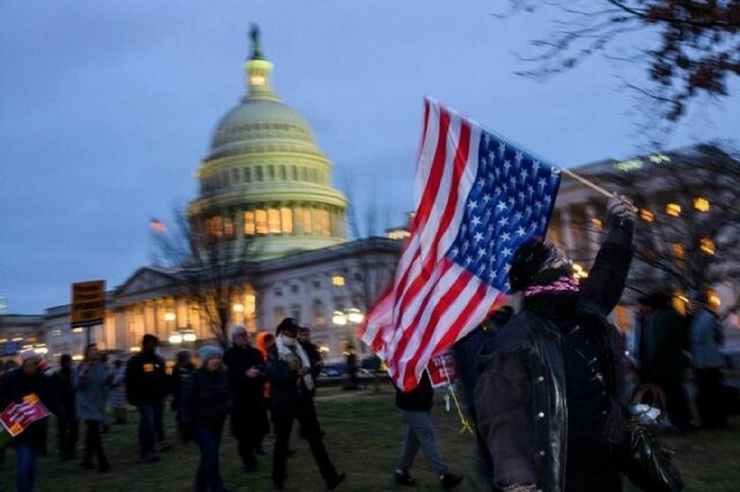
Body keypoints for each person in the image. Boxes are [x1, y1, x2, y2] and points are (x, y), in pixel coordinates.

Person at [475, 195, 635, 492]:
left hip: (603, 467)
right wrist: (517, 481)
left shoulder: (584, 306)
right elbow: (503, 419)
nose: (568, 261)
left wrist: (621, 224)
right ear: (541, 273)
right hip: (557, 475)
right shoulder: (512, 343)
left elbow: (609, 272)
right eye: (558, 258)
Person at [266, 317, 346, 491]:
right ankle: (278, 480)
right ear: (283, 330)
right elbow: (274, 375)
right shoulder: (275, 350)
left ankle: (330, 478)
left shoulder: (300, 348)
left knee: (316, 441)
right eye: (292, 330)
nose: (295, 333)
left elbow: (310, 370)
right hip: (284, 403)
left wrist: (316, 367)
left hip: (303, 400)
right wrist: (295, 374)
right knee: (282, 443)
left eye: (297, 330)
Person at [393, 370, 464, 489]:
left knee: (413, 441)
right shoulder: (405, 359)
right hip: (412, 405)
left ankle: (401, 472)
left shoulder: (417, 356)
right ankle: (444, 475)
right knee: (428, 437)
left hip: (418, 403)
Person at [0, 350, 57, 492]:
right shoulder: (11, 379)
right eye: (27, 365)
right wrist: (17, 405)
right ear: (23, 364)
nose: (30, 368)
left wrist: (51, 411)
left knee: (31, 465)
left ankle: (28, 488)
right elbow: (3, 398)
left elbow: (50, 398)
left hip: (36, 429)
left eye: (33, 365)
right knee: (24, 463)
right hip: (19, 427)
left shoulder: (42, 379)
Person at [635, 292, 693, 433]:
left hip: (664, 365)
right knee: (674, 393)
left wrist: (651, 361)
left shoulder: (663, 318)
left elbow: (657, 342)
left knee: (671, 394)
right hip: (669, 363)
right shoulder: (671, 316)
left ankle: (678, 422)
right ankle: (680, 421)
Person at [181, 345, 231, 492]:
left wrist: (228, 404)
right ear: (204, 361)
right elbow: (185, 401)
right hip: (200, 423)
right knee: (211, 452)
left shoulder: (222, 375)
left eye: (217, 358)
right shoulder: (195, 378)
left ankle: (200, 486)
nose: (215, 361)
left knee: (209, 454)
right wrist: (186, 424)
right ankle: (217, 486)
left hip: (217, 421)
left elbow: (228, 393)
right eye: (212, 358)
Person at [223, 325, 267, 472]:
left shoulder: (256, 353)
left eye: (246, 334)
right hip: (240, 400)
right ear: (234, 338)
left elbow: (264, 368)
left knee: (259, 429)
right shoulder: (229, 355)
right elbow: (228, 377)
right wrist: (245, 375)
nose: (245, 337)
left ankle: (256, 448)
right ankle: (249, 462)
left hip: (256, 397)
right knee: (243, 434)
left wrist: (259, 372)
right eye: (241, 335)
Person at [125, 334, 168, 463]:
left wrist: (164, 393)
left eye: (154, 344)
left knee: (151, 423)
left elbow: (163, 377)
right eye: (151, 344)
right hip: (143, 397)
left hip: (155, 397)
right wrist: (132, 397)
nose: (153, 347)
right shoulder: (136, 360)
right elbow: (129, 380)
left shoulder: (158, 360)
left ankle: (150, 448)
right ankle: (147, 451)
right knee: (148, 422)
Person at [688, 291, 728, 429]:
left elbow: (709, 340)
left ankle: (715, 420)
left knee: (711, 392)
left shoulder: (706, 318)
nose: (691, 306)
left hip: (708, 362)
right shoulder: (697, 319)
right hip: (702, 362)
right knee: (706, 392)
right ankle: (711, 419)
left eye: (693, 303)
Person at [75, 343, 112, 472]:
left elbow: (104, 383)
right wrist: (83, 374)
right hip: (86, 404)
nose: (95, 352)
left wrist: (109, 378)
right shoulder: (81, 366)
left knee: (91, 434)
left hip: (97, 403)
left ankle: (87, 460)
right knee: (95, 432)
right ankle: (103, 461)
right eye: (92, 350)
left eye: (96, 350)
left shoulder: (101, 366)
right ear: (86, 353)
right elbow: (77, 385)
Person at [55, 353, 79, 460]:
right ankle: (64, 450)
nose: (70, 364)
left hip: (72, 405)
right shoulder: (59, 376)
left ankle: (70, 449)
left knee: (73, 429)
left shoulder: (72, 374)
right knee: (63, 430)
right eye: (68, 362)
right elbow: (56, 392)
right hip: (64, 406)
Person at [170, 350, 196, 442]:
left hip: (191, 396)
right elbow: (173, 382)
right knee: (182, 416)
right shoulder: (176, 368)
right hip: (180, 396)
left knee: (191, 416)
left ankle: (191, 434)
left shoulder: (192, 368)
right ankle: (184, 436)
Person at [108, 359, 127, 425]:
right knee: (116, 406)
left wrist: (111, 383)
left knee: (121, 406)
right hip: (114, 390)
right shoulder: (114, 370)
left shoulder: (122, 370)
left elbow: (116, 380)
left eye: (116, 364)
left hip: (121, 390)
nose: (115, 365)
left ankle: (123, 419)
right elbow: (109, 377)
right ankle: (118, 418)